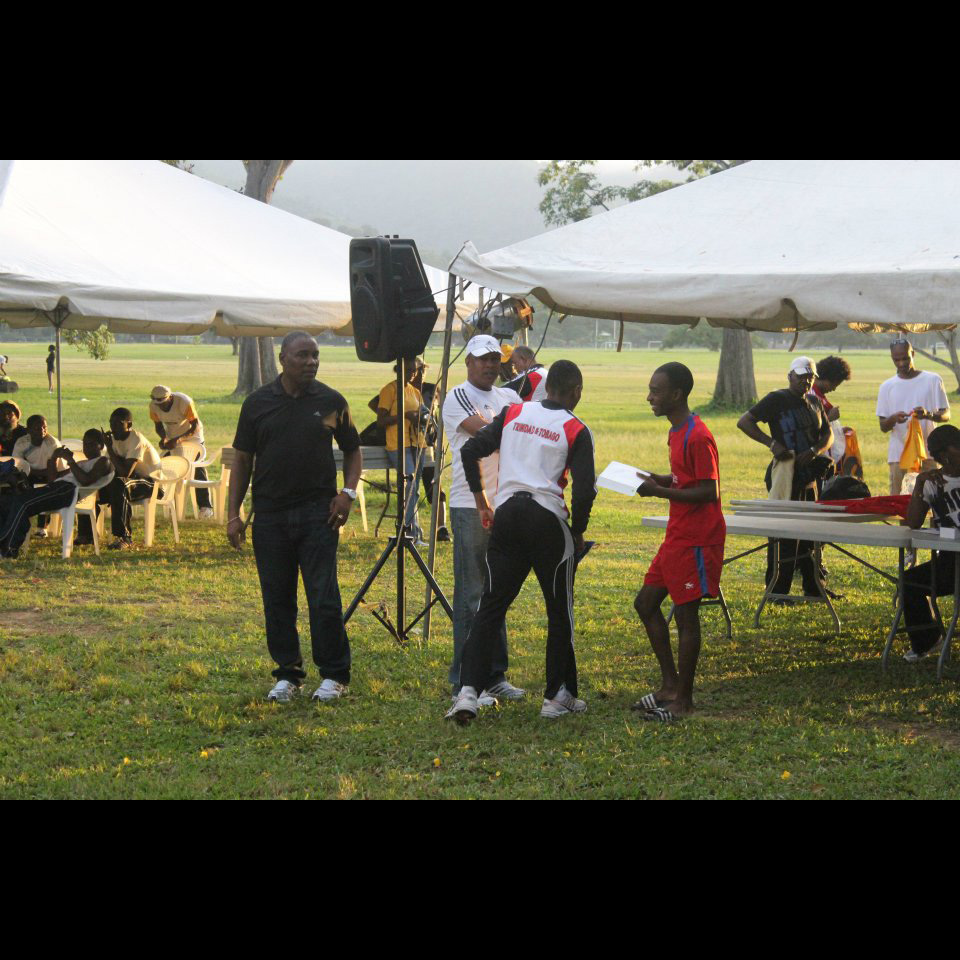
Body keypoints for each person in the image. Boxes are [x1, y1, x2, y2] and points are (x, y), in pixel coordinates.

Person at [448, 360, 596, 724]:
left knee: (490, 607)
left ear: (548, 387)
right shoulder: (576, 428)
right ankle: (556, 696)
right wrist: (578, 530)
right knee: (559, 610)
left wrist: (482, 500)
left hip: (507, 515)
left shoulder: (514, 412)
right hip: (547, 520)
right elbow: (584, 491)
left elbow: (470, 451)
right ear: (576, 391)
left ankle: (468, 692)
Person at [228, 332, 362, 705]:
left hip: (318, 514)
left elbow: (353, 451)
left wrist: (347, 494)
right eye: (303, 355)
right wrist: (233, 514)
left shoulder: (332, 401)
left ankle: (334, 675)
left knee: (323, 597)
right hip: (269, 515)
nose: (311, 362)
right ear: (283, 358)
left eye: (315, 356)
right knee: (277, 598)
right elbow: (243, 460)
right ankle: (288, 674)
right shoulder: (257, 403)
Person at [633, 363, 725, 721]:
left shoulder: (698, 436)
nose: (649, 397)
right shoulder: (676, 432)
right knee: (645, 604)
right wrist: (663, 479)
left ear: (676, 394)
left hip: (698, 539)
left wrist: (658, 492)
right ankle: (669, 685)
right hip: (677, 535)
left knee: (686, 617)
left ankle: (683, 701)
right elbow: (686, 479)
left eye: (655, 391)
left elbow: (708, 490)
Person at [441, 335, 525, 704]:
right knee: (472, 594)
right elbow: (490, 434)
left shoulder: (508, 396)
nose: (489, 365)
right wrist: (515, 424)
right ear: (468, 363)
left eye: (494, 359)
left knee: (497, 590)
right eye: (482, 359)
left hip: (504, 502)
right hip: (471, 505)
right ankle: (465, 681)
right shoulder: (458, 396)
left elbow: (522, 433)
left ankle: (495, 676)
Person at [737, 356, 833, 599]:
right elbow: (745, 422)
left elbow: (828, 434)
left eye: (810, 377)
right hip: (785, 476)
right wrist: (771, 443)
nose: (806, 381)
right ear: (790, 376)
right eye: (801, 377)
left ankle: (815, 587)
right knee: (783, 535)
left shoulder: (814, 402)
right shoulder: (776, 399)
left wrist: (814, 451)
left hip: (809, 478)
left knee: (811, 535)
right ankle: (778, 591)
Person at [0, 429, 113, 558]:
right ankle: (4, 544)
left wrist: (70, 460)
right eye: (85, 444)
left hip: (67, 491)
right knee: (7, 501)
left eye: (91, 444)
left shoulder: (104, 461)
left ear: (101, 446)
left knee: (23, 503)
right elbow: (53, 479)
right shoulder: (82, 463)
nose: (87, 448)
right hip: (56, 488)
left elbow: (85, 480)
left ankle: (9, 549)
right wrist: (54, 458)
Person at [903, 424, 960, 661]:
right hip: (949, 561)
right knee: (909, 581)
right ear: (944, 455)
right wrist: (919, 484)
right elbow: (913, 522)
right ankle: (927, 640)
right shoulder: (932, 482)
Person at [877, 338, 950, 495]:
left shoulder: (932, 380)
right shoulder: (887, 386)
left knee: (934, 498)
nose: (901, 363)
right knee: (899, 501)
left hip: (929, 453)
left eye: (905, 358)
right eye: (896, 360)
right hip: (899, 455)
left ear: (913, 354)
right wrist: (893, 419)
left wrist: (929, 415)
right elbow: (883, 426)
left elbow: (946, 414)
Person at [377, 360, 427, 543]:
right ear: (399, 369)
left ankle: (414, 532)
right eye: (409, 370)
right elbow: (380, 421)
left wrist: (422, 418)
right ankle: (409, 534)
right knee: (410, 486)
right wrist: (404, 416)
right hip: (398, 443)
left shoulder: (415, 391)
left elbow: (423, 413)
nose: (413, 374)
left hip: (417, 443)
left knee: (415, 490)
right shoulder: (389, 390)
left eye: (415, 370)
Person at [148, 385, 214, 519]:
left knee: (196, 467)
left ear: (170, 397)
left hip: (193, 437)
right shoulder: (153, 406)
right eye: (158, 404)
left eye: (163, 403)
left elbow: (195, 426)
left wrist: (178, 440)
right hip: (173, 437)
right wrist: (164, 438)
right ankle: (170, 502)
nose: (161, 407)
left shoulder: (184, 402)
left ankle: (205, 506)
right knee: (165, 466)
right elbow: (158, 426)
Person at [102, 407, 162, 550]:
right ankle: (86, 534)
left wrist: (109, 448)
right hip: (132, 481)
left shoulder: (136, 440)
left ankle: (125, 537)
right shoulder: (114, 440)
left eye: (118, 424)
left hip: (152, 484)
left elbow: (125, 472)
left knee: (119, 484)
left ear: (129, 425)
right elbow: (108, 467)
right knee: (97, 487)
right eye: (111, 423)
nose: (113, 427)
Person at [12, 414, 63, 537]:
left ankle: (42, 527)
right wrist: (28, 471)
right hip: (29, 474)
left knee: (46, 489)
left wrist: (30, 470)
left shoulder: (52, 443)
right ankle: (19, 522)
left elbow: (53, 470)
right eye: (37, 428)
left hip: (51, 474)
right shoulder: (22, 443)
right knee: (17, 485)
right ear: (28, 430)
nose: (42, 430)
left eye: (44, 427)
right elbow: (17, 466)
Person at [811, 355, 852, 467]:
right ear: (827, 378)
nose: (834, 389)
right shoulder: (811, 395)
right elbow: (808, 429)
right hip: (815, 457)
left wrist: (838, 430)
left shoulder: (818, 394)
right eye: (834, 384)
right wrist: (830, 418)